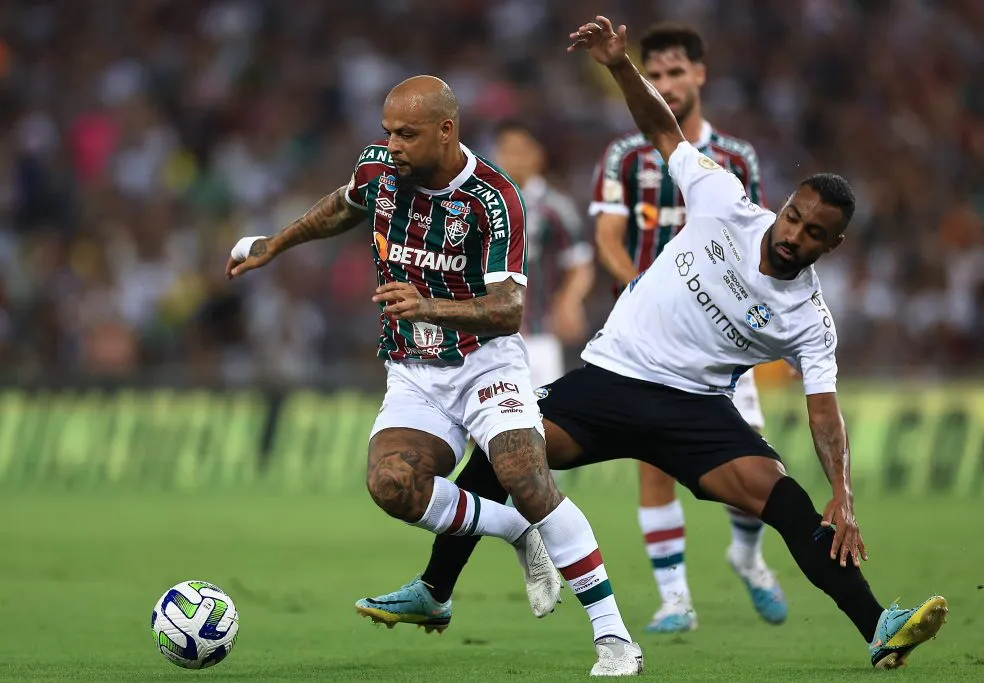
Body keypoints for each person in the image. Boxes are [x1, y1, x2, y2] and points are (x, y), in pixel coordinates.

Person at [357, 18, 949, 670]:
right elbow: (662, 129)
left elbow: (823, 409)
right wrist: (617, 65)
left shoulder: (809, 318)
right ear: (781, 207)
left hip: (693, 412)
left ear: (830, 247)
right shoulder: (723, 198)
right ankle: (435, 591)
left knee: (787, 500)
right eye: (793, 217)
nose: (794, 235)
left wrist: (844, 490)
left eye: (813, 234)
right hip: (610, 378)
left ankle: (879, 626)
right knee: (504, 456)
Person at [227, 74, 641, 676]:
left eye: (407, 134)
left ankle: (615, 639)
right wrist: (276, 243)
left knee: (527, 478)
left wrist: (429, 306)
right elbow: (344, 204)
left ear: (446, 130)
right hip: (414, 372)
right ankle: (518, 534)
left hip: (484, 362)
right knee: (390, 485)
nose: (392, 144)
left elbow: (509, 309)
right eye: (388, 132)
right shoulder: (380, 170)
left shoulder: (495, 200)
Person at [589, 22, 784, 632]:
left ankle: (746, 556)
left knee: (753, 462)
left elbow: (754, 244)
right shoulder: (625, 156)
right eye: (656, 74)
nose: (666, 84)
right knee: (654, 457)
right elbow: (607, 239)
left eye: (676, 73)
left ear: (700, 75)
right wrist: (641, 286)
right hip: (653, 333)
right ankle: (675, 598)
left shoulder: (736, 158)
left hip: (721, 335)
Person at [493, 119, 595, 388]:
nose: (510, 158)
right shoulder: (483, 205)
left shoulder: (554, 206)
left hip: (538, 335)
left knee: (541, 415)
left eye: (519, 150)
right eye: (505, 150)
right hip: (486, 335)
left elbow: (580, 264)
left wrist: (569, 301)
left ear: (537, 155)